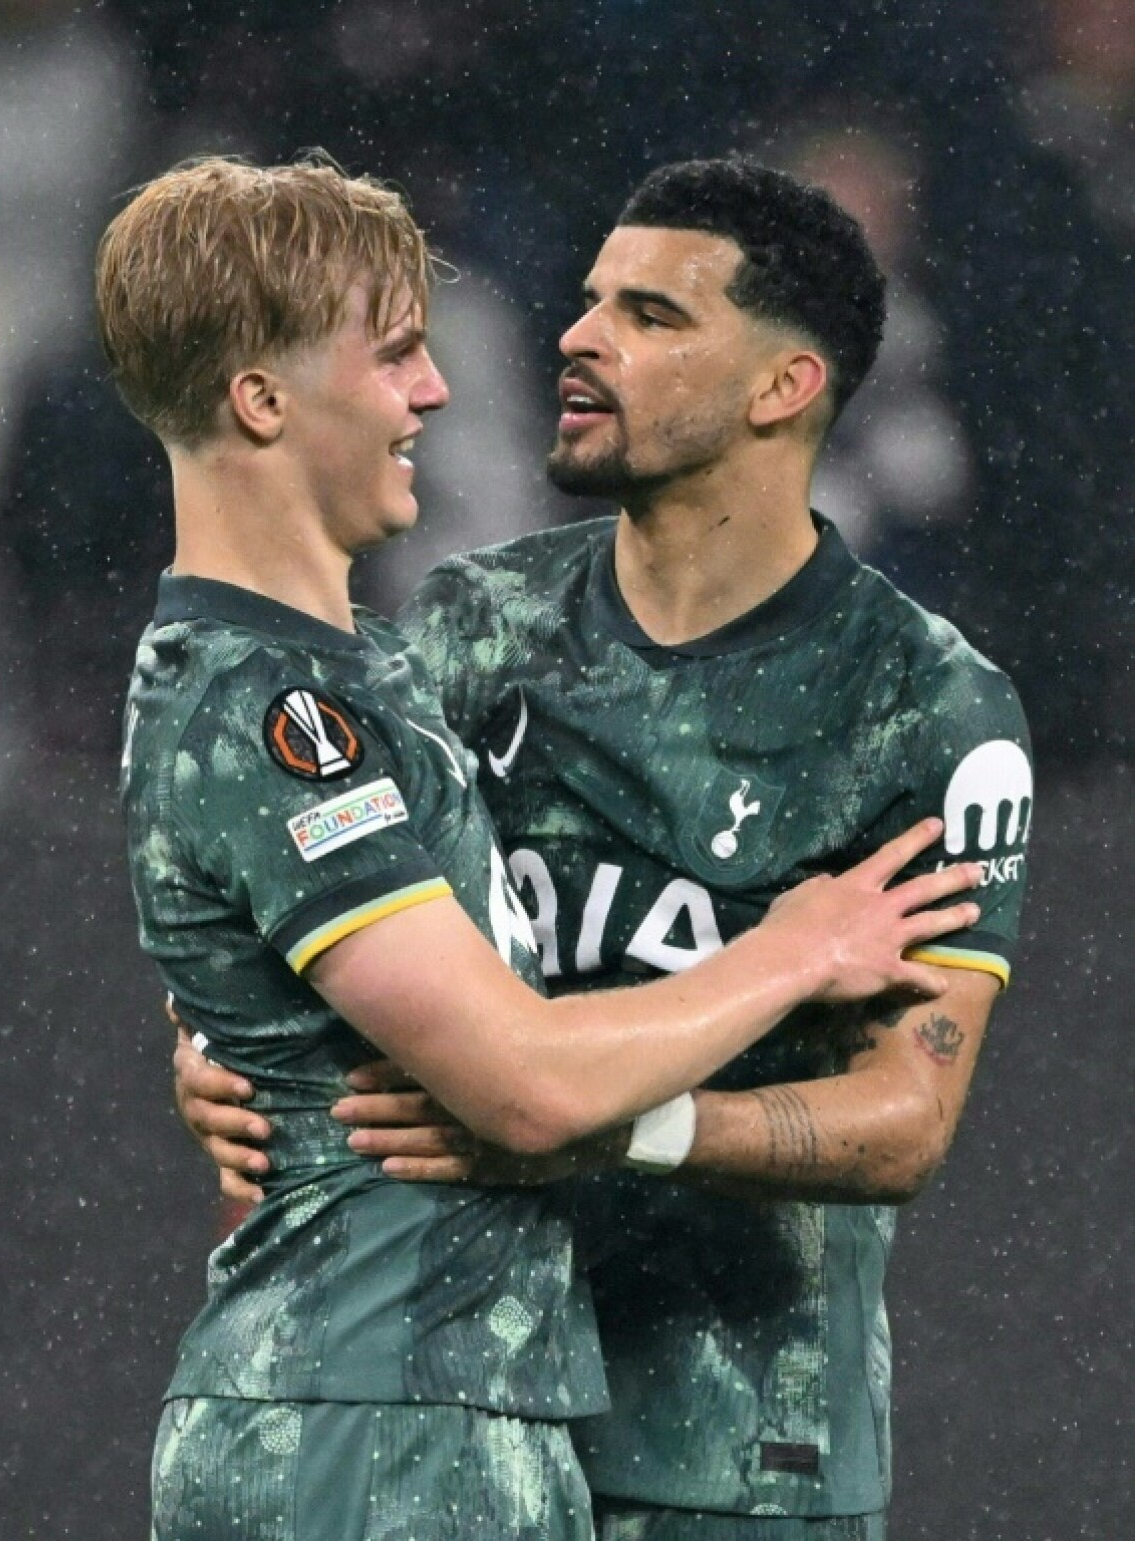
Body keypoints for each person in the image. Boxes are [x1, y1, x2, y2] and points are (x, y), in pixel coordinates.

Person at [100, 154, 979, 1541]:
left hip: (688, 1435)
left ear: (784, 386)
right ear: (263, 400)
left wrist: (252, 1034)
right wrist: (788, 955)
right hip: (397, 1404)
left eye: (651, 312)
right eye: (395, 353)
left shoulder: (919, 699)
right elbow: (501, 1074)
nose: (564, 340)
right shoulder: (420, 654)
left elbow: (908, 1115)